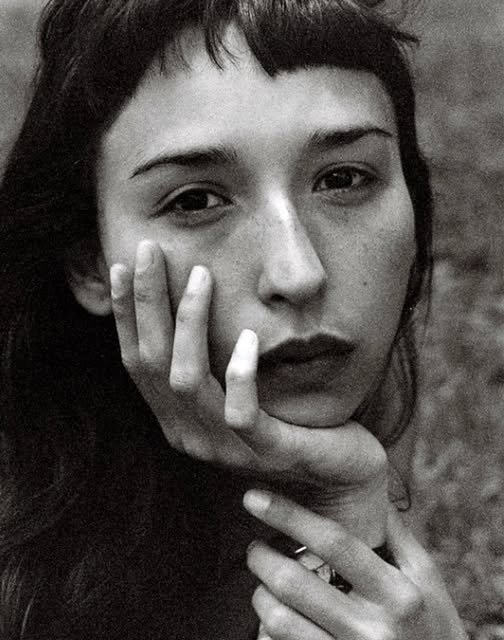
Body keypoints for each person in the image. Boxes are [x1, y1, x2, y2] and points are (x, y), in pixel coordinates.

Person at [0, 0, 467, 638]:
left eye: (343, 179)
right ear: (88, 260)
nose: (298, 273)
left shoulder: (362, 416)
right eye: (196, 200)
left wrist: (348, 499)